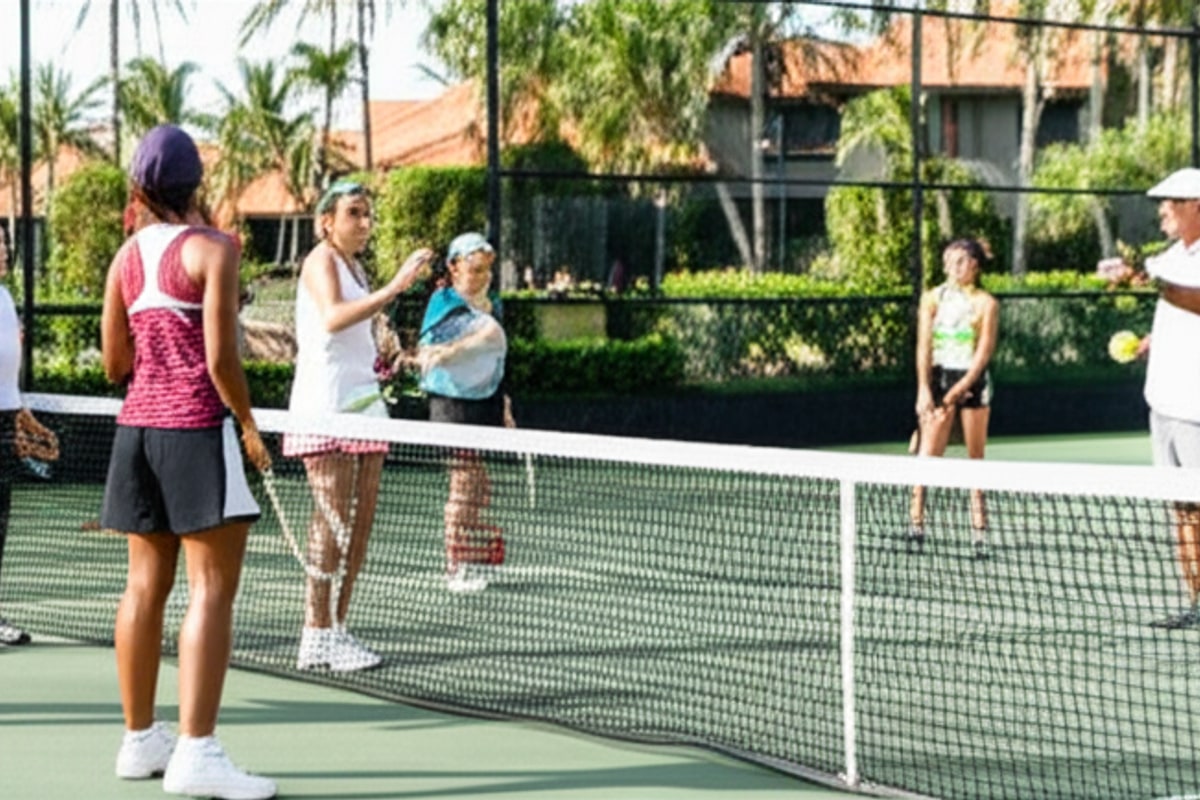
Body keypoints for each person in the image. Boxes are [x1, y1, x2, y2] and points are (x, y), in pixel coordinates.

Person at [100, 124, 276, 800]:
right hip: (197, 432)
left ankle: (140, 739)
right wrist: (249, 424)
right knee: (212, 591)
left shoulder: (125, 260)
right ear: (196, 183)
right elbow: (221, 359)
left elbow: (117, 363)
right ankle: (196, 751)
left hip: (135, 433)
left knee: (144, 588)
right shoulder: (215, 249)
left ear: (140, 188)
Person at [283, 180, 432, 671]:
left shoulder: (356, 267)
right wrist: (395, 288)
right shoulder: (320, 261)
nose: (364, 223)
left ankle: (338, 629)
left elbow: (360, 329)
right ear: (327, 221)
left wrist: (388, 349)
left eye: (368, 214)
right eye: (354, 214)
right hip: (326, 407)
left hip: (366, 406)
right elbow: (331, 319)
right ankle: (315, 632)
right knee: (332, 521)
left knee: (361, 522)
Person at [418, 232, 513, 593]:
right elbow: (433, 352)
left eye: (486, 270)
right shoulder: (443, 302)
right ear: (454, 267)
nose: (482, 277)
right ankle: (455, 565)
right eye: (474, 269)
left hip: (484, 400)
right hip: (451, 403)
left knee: (479, 488)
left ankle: (470, 556)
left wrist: (504, 403)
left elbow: (499, 357)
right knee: (463, 483)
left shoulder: (492, 305)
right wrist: (474, 342)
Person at [908, 238, 1000, 560]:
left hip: (971, 383)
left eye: (960, 261)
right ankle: (916, 526)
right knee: (927, 456)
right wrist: (924, 388)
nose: (952, 267)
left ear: (974, 266)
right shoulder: (931, 298)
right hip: (938, 379)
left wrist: (964, 385)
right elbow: (923, 345)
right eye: (948, 260)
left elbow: (984, 350)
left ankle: (979, 532)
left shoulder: (986, 303)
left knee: (976, 458)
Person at [1138, 168, 1200, 628]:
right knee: (1180, 510)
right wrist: (1151, 341)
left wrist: (1146, 281)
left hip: (1195, 412)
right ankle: (1196, 602)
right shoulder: (1175, 255)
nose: (1162, 209)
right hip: (1163, 405)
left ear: (1196, 206)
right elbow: (1177, 307)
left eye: (1171, 202)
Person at [0, 227, 30, 647]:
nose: (4, 250)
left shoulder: (5, 298)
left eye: (4, 243)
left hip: (4, 420)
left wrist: (21, 413)